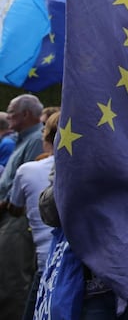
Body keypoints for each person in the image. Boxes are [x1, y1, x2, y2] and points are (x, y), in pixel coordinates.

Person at [9, 111, 57, 320]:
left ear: (46, 137)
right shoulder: (89, 167)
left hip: (48, 259)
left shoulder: (28, 170)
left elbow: (15, 206)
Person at [0, 94, 44, 202]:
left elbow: (27, 180)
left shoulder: (37, 140)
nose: (8, 116)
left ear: (25, 114)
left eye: (11, 112)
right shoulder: (23, 138)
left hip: (14, 213)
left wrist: (5, 203)